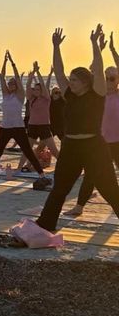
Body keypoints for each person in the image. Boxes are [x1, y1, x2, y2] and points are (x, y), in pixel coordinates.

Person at [35, 26, 119, 231]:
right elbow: (59, 70)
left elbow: (98, 70)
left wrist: (94, 45)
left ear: (84, 82)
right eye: (70, 80)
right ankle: (45, 225)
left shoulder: (97, 94)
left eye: (74, 80)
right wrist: (55, 47)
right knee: (59, 189)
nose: (69, 83)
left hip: (94, 146)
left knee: (109, 190)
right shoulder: (69, 95)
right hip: (70, 146)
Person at [67, 31, 119, 217]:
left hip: (118, 142)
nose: (108, 80)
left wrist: (113, 50)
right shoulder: (97, 94)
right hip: (100, 142)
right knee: (90, 176)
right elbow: (94, 70)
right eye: (106, 77)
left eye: (112, 78)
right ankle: (79, 207)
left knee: (111, 184)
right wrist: (98, 49)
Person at [0, 51, 45, 177]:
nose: (11, 84)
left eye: (13, 83)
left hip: (18, 128)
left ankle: (42, 175)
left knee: (28, 151)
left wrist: (12, 62)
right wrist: (4, 61)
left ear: (17, 85)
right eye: (9, 83)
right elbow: (2, 77)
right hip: (5, 127)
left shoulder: (20, 95)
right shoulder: (6, 95)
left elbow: (18, 77)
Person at [21, 62, 59, 170]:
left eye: (38, 90)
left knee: (54, 150)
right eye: (35, 89)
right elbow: (28, 86)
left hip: (44, 126)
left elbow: (43, 84)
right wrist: (32, 73)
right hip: (32, 126)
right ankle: (21, 168)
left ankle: (64, 166)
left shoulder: (46, 99)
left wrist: (38, 72)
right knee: (27, 149)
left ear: (42, 91)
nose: (36, 91)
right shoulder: (32, 99)